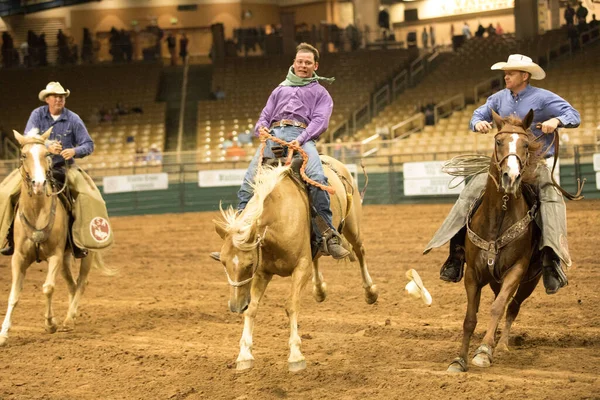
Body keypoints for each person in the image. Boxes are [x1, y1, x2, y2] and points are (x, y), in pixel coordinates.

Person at [424, 54, 580, 295]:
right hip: (503, 164)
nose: (505, 76)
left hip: (536, 164)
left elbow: (574, 116)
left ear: (524, 76)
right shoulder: (497, 99)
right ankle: (456, 256)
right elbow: (477, 115)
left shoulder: (544, 98)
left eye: (511, 72)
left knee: (551, 198)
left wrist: (556, 120)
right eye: (505, 72)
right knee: (471, 193)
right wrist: (478, 124)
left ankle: (552, 263)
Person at [211, 42, 349, 261]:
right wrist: (261, 129)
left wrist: (301, 139)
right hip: (273, 136)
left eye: (308, 63)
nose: (303, 65)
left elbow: (320, 122)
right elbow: (265, 116)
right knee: (248, 183)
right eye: (300, 61)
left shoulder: (321, 93)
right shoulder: (279, 89)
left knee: (316, 178)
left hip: (302, 138)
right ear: (293, 63)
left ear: (315, 66)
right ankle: (236, 238)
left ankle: (327, 234)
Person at [0, 82, 113, 257]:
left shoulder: (73, 119)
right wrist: (47, 144)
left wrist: (74, 151)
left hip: (65, 167)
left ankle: (81, 241)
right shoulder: (37, 115)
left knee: (89, 196)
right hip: (35, 166)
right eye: (55, 96)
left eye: (62, 97)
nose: (59, 99)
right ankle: (8, 238)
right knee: (5, 193)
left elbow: (89, 144)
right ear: (47, 99)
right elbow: (28, 138)